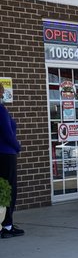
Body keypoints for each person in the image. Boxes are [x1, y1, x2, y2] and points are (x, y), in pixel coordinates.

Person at [0, 82, 24, 238]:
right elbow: (8, 134)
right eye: (1, 92)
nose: (2, 95)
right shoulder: (1, 110)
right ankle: (7, 225)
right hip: (6, 155)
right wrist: (17, 147)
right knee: (9, 190)